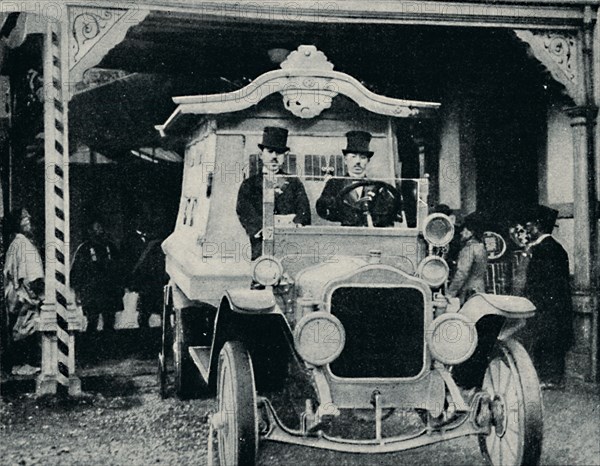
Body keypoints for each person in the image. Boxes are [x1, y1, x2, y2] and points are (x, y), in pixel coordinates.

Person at [236, 126, 311, 260]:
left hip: (290, 244)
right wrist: (261, 228)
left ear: (285, 156)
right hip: (261, 244)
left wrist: (297, 224)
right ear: (261, 155)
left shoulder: (294, 183)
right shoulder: (249, 184)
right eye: (270, 152)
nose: (274, 157)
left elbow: (304, 211)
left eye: (279, 153)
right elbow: (244, 211)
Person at [520, 205, 573, 389]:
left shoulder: (544, 250)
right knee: (550, 340)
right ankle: (550, 378)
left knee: (548, 340)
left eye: (530, 225)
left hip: (546, 306)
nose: (527, 229)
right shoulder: (555, 248)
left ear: (538, 226)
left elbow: (538, 282)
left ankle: (550, 380)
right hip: (554, 305)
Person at [316, 130, 401, 227]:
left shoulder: (378, 188)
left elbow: (389, 212)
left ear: (368, 161)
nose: (358, 162)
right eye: (353, 157)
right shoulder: (334, 184)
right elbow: (323, 209)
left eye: (362, 157)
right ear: (345, 160)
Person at [3, 208, 43, 376]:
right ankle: (21, 365)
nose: (28, 219)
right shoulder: (22, 244)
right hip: (24, 295)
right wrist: (38, 295)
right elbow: (31, 276)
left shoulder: (16, 243)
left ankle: (19, 365)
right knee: (25, 330)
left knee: (20, 329)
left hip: (16, 294)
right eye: (24, 217)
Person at [71, 217, 123, 332]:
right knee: (92, 322)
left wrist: (119, 288)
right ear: (90, 231)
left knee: (109, 322)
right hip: (92, 294)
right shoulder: (84, 249)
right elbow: (76, 273)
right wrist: (80, 292)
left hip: (109, 293)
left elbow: (119, 270)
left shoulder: (111, 247)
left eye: (101, 227)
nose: (101, 230)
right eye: (97, 228)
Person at [446, 212, 488, 304]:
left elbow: (462, 273)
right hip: (480, 290)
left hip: (469, 293)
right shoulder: (481, 247)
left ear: (471, 232)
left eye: (464, 230)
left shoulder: (469, 249)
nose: (461, 233)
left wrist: (450, 293)